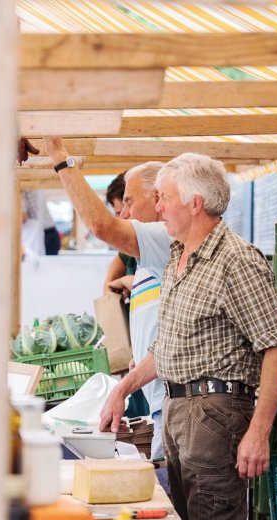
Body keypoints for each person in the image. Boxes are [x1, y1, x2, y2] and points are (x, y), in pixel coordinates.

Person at [97, 152, 277, 520]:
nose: (158, 206)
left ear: (195, 203)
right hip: (179, 409)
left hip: (215, 413)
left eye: (164, 198)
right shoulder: (177, 257)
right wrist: (122, 389)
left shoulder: (236, 260)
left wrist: (258, 433)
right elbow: (166, 346)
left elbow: (276, 347)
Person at [45, 136, 169, 463]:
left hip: (172, 406)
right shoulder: (149, 260)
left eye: (129, 202)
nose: (124, 213)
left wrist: (61, 158)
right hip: (161, 404)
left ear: (159, 199)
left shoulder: (168, 239)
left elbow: (101, 225)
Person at [22, 190, 61, 255]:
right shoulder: (32, 184)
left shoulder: (23, 186)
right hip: (49, 233)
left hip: (45, 235)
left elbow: (23, 217)